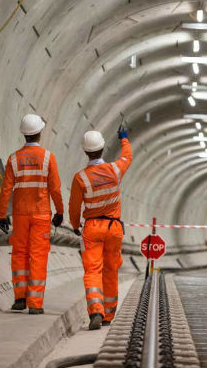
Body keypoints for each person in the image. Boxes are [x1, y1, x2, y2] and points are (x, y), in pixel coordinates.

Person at [0, 114, 64, 314]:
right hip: (41, 214)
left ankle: (20, 298)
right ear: (40, 133)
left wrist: (1, 214)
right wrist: (60, 212)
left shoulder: (13, 158)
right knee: (38, 256)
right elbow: (56, 189)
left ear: (24, 135)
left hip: (20, 215)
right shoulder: (48, 157)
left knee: (19, 255)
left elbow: (6, 190)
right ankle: (35, 303)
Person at [68, 127, 132, 330]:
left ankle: (96, 310)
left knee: (93, 271)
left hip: (92, 228)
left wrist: (74, 224)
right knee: (111, 269)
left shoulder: (81, 178)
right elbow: (127, 156)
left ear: (85, 152)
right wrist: (124, 138)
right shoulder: (115, 169)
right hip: (113, 228)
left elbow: (74, 205)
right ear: (103, 148)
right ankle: (109, 314)